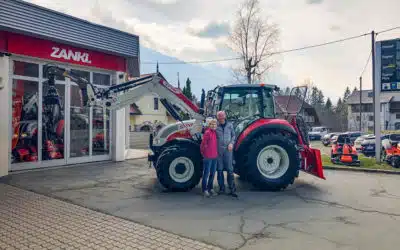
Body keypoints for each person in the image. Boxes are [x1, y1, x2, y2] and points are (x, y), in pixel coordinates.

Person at [216, 111, 238, 198]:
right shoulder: (215, 126)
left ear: (225, 116)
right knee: (220, 170)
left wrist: (231, 143)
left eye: (222, 116)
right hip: (219, 151)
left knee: (229, 169)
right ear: (217, 117)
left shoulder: (230, 125)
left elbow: (233, 136)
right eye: (219, 117)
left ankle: (232, 189)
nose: (221, 118)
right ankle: (221, 189)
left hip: (228, 150)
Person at [200, 118, 219, 197]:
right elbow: (203, 145)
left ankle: (210, 188)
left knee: (212, 173)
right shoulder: (207, 133)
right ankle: (204, 190)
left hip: (214, 156)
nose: (213, 125)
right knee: (206, 174)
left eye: (215, 124)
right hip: (208, 157)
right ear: (209, 125)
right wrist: (204, 154)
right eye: (212, 124)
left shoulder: (215, 133)